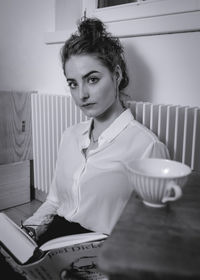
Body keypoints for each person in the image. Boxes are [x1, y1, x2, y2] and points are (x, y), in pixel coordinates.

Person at [22, 17, 170, 243]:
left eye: (92, 79)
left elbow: (155, 234)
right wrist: (28, 231)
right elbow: (53, 201)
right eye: (73, 83)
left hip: (101, 253)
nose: (81, 94)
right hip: (54, 238)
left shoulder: (147, 147)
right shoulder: (69, 136)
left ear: (117, 76)